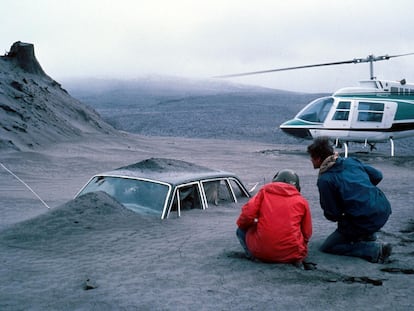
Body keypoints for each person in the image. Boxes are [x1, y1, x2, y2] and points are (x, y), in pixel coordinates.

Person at [307, 137, 392, 263]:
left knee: (328, 247)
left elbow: (332, 214)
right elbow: (377, 175)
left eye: (312, 157)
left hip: (364, 218)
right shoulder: (351, 161)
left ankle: (375, 250)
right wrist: (363, 191)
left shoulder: (325, 180)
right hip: (383, 208)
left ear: (319, 159)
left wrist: (345, 209)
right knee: (356, 214)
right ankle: (367, 234)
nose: (310, 160)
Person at [236, 169, 312, 264]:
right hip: (292, 255)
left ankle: (253, 257)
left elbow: (247, 215)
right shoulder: (302, 201)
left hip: (262, 252)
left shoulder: (264, 193)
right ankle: (293, 258)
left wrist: (252, 225)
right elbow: (307, 232)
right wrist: (301, 246)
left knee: (240, 230)